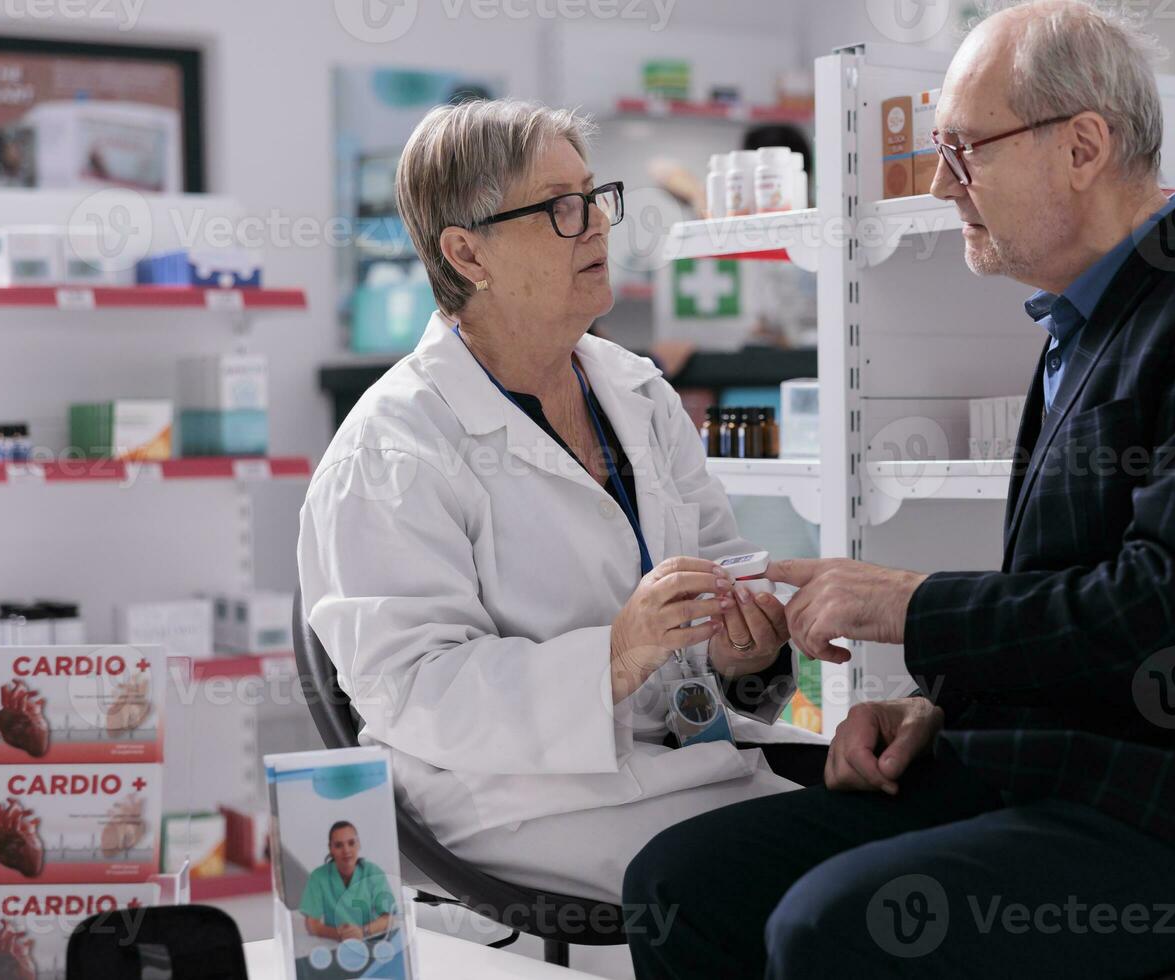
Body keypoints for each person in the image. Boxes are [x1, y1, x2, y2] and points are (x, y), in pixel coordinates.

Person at [623, 2, 1175, 977]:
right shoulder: (1082, 328)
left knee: (831, 927)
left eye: (964, 151)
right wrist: (938, 706)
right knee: (682, 883)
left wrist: (909, 604)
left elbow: (1172, 617)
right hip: (1088, 767)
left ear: (1083, 145)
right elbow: (1071, 602)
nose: (938, 183)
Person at [297, 98, 826, 907]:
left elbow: (721, 581)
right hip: (522, 803)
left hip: (683, 758)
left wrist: (745, 650)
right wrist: (614, 655)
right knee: (821, 883)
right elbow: (411, 690)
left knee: (913, 819)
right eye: (559, 209)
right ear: (466, 251)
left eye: (594, 196)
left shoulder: (637, 391)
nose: (596, 226)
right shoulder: (390, 450)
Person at [299, 821, 397, 942]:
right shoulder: (318, 877)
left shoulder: (373, 873)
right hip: (336, 944)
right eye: (339, 845)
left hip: (372, 942)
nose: (346, 850)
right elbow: (311, 924)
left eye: (351, 843)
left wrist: (363, 932)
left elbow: (389, 917)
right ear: (331, 849)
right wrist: (339, 935)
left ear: (359, 844)